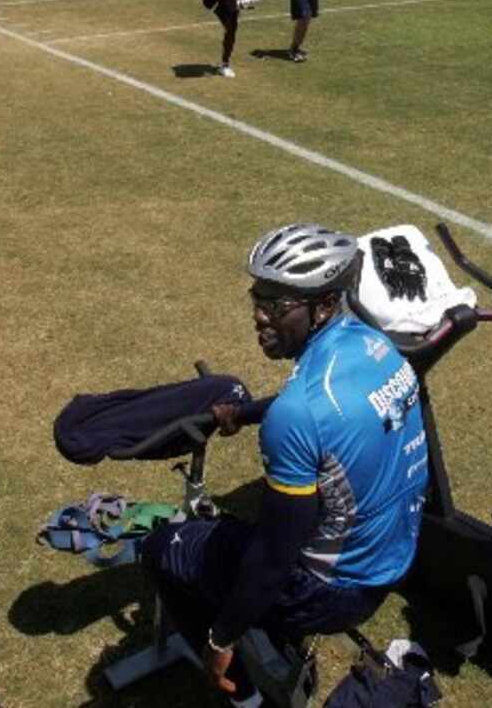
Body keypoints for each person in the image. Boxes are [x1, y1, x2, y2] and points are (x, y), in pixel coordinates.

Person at [141, 224, 429, 707]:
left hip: (336, 592)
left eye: (277, 306)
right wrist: (246, 412)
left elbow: (274, 561)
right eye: (258, 298)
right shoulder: (374, 345)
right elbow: (327, 409)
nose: (259, 316)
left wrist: (221, 639)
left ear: (322, 305)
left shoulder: (298, 414)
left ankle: (247, 697)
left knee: (161, 550)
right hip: (396, 557)